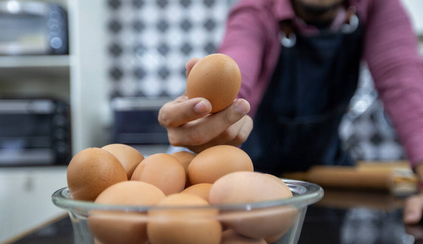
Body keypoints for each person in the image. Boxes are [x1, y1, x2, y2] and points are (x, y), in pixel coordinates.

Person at [158, 0, 423, 224]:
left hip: (326, 181)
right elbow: (237, 65)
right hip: (253, 188)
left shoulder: (377, 8)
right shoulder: (257, 10)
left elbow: (406, 89)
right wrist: (216, 113)